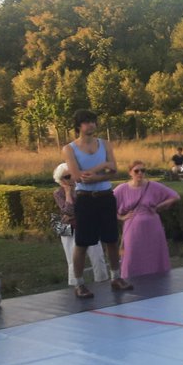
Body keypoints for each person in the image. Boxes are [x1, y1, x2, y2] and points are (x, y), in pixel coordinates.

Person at [61, 109, 131, 298]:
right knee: (82, 242)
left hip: (106, 196)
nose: (91, 125)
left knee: (111, 240)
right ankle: (79, 283)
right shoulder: (69, 149)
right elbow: (78, 177)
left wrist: (97, 170)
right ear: (78, 126)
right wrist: (102, 168)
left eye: (93, 121)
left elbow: (114, 170)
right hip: (85, 199)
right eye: (86, 122)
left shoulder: (105, 144)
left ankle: (116, 277)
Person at [115, 160, 180, 280]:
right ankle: (130, 280)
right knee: (132, 255)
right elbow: (108, 207)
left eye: (143, 170)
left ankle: (159, 279)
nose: (140, 173)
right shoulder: (122, 189)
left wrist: (160, 206)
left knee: (154, 254)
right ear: (130, 172)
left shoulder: (153, 186)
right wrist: (121, 217)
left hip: (153, 227)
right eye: (136, 171)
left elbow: (175, 196)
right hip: (132, 229)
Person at [52, 162, 109, 289]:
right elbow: (68, 211)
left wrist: (75, 214)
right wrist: (67, 193)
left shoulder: (84, 188)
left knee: (97, 255)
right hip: (69, 230)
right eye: (66, 177)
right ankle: (77, 285)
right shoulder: (58, 193)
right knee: (72, 259)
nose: (70, 179)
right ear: (60, 180)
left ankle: (103, 282)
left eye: (71, 175)